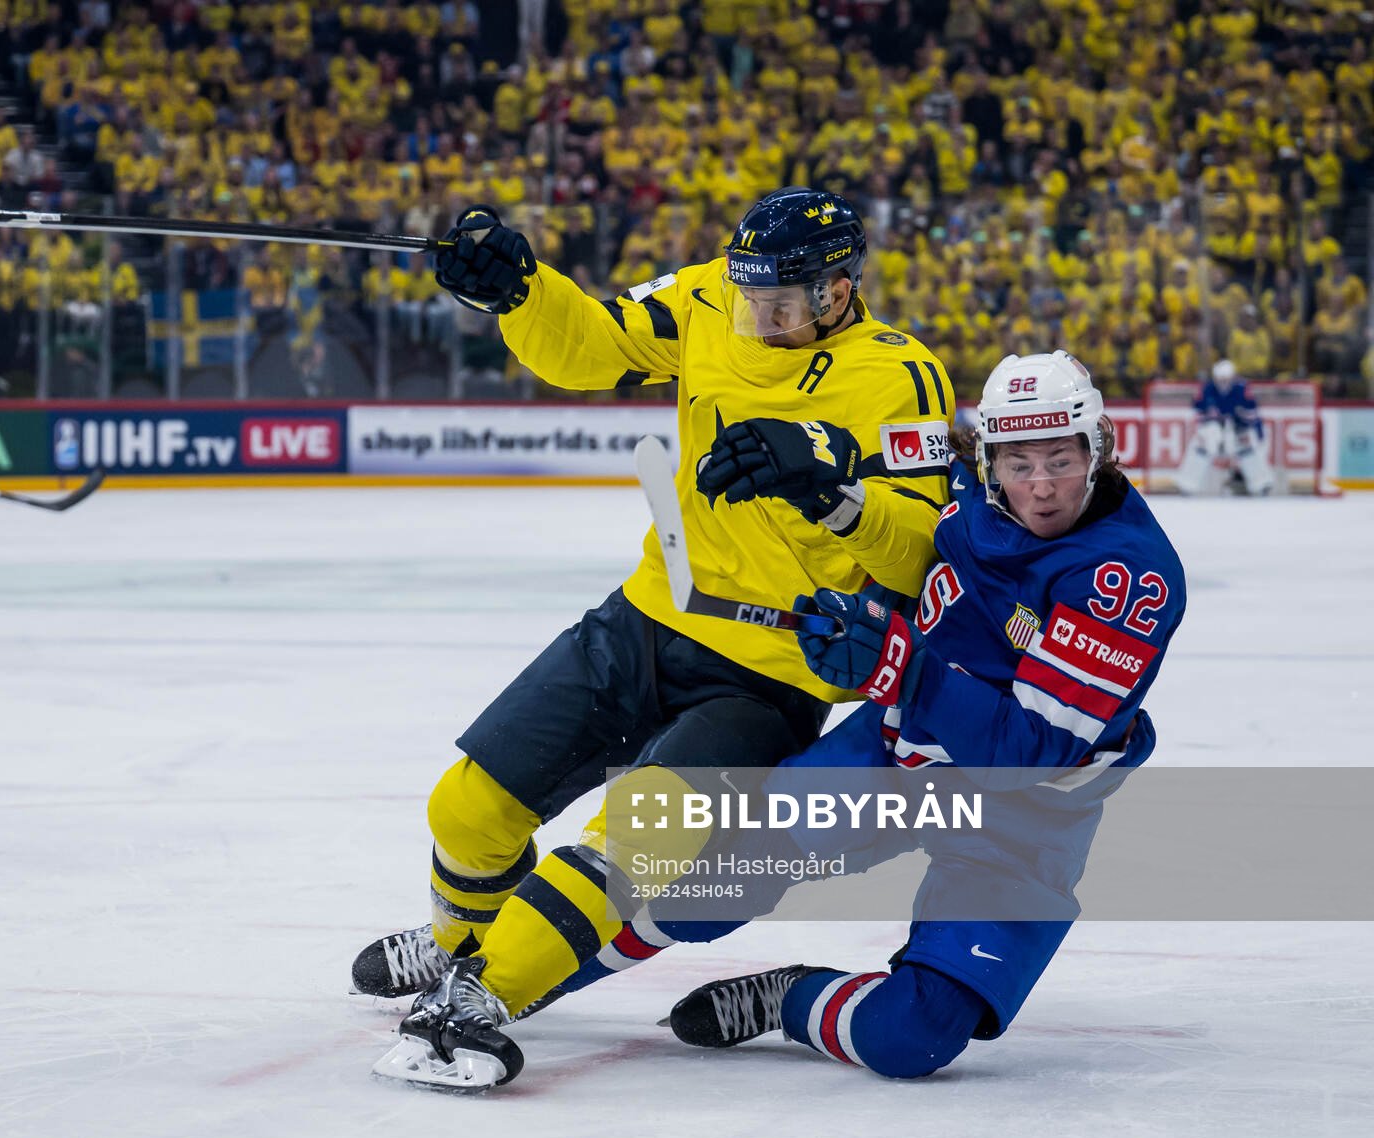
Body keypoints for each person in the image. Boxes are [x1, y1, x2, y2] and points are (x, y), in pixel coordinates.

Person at [384, 350, 1185, 1088]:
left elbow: (1029, 752)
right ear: (989, 462)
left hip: (1023, 813)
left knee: (913, 1038)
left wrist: (896, 663)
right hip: (892, 758)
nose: (1040, 485)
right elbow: (895, 540)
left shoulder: (1126, 578)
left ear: (1098, 451)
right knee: (699, 888)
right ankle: (493, 975)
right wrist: (827, 494)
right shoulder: (967, 496)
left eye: (1060, 461)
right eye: (1020, 463)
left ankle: (786, 999)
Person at [353, 188, 958, 1028]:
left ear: (838, 292)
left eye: (780, 304)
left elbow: (924, 553)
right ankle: (459, 943)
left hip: (772, 668)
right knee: (467, 805)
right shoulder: (710, 297)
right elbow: (594, 347)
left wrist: (832, 492)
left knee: (639, 838)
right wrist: (520, 291)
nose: (757, 318)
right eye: (751, 297)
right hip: (647, 618)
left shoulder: (901, 376)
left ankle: (483, 993)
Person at [1176, 358, 1271, 496]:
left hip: (1239, 428)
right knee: (1201, 445)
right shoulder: (1208, 389)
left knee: (1249, 448)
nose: (1223, 383)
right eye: (1220, 379)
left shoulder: (1242, 389)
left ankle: (1261, 484)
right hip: (1214, 429)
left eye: (1226, 379)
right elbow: (1197, 410)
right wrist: (1211, 416)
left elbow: (1252, 415)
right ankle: (1187, 484)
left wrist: (1250, 426)